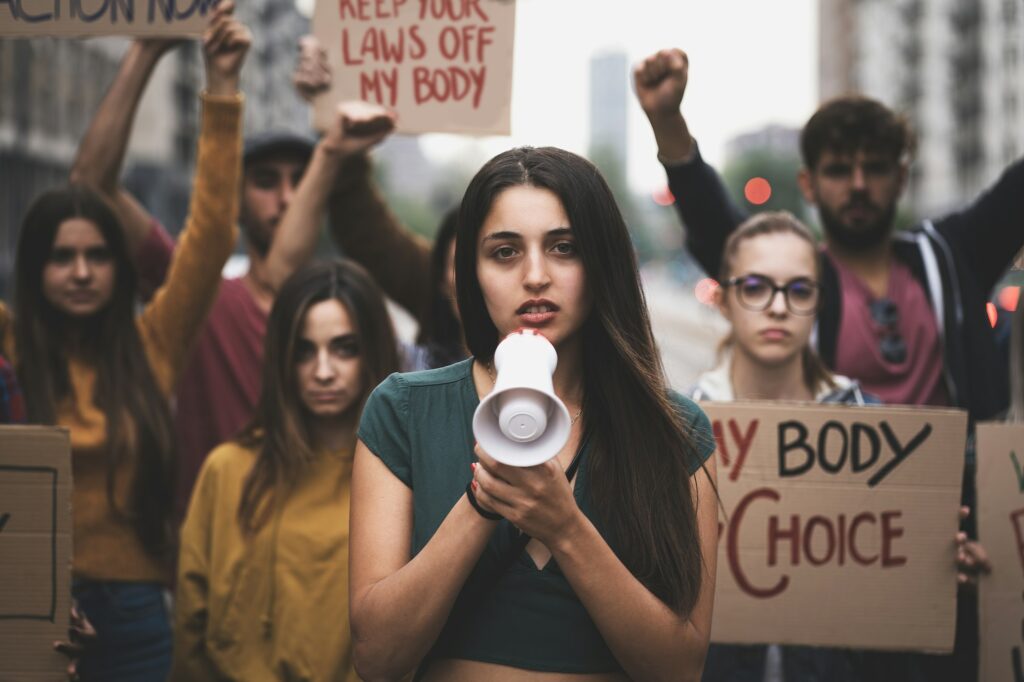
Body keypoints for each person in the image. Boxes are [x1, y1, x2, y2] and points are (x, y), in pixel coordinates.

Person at [635, 47, 1015, 681]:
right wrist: (669, 125)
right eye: (840, 169)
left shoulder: (951, 259)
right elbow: (718, 231)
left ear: (902, 176)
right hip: (824, 553)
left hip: (945, 545)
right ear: (809, 184)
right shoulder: (797, 271)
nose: (859, 184)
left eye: (875, 167)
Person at [350, 146, 719, 681]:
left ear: (603, 263)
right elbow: (377, 658)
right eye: (504, 252)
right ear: (469, 273)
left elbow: (680, 670)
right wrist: (484, 501)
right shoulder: (402, 412)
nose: (535, 276)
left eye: (564, 248)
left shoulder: (676, 433)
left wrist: (565, 527)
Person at [0, 6, 248, 679]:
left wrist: (221, 85)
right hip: (23, 603)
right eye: (61, 257)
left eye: (98, 257)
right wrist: (144, 49)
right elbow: (83, 185)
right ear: (34, 270)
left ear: (120, 268)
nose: (81, 272)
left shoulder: (152, 344)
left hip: (138, 614)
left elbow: (209, 240)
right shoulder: (9, 347)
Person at [70, 42, 397, 520]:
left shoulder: (351, 309)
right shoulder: (197, 293)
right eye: (266, 181)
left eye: (299, 180)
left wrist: (333, 135)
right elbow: (90, 186)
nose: (285, 198)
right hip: (210, 544)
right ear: (236, 198)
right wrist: (144, 48)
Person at [170, 260, 399, 681]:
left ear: (373, 350)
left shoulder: (402, 481)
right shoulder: (227, 471)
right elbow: (190, 627)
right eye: (304, 350)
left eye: (345, 347)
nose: (324, 371)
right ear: (281, 358)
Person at [688, 211, 872, 682]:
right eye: (754, 287)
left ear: (818, 302)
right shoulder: (680, 430)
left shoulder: (872, 427)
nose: (777, 307)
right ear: (724, 299)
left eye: (799, 290)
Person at [293, 36, 466, 368]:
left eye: (503, 255)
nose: (474, 279)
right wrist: (337, 110)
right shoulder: (416, 373)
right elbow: (367, 232)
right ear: (440, 280)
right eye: (461, 262)